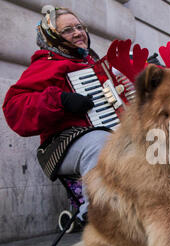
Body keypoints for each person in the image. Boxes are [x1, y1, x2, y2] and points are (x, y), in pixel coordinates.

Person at [2, 6, 111, 224]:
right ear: (52, 37)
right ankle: (97, 220)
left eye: (80, 27)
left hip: (105, 135)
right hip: (60, 145)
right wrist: (60, 100)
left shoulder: (97, 65)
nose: (78, 33)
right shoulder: (46, 64)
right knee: (105, 142)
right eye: (68, 30)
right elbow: (14, 107)